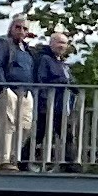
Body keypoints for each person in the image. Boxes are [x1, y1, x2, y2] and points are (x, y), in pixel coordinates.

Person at [0, 13, 42, 168]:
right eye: (17, 27)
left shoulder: (28, 49)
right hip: (9, 89)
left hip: (26, 92)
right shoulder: (3, 43)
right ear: (11, 28)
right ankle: (4, 159)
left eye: (24, 28)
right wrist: (3, 86)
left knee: (25, 126)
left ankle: (15, 156)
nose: (21, 31)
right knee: (8, 124)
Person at [32, 29, 76, 166]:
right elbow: (41, 80)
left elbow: (70, 81)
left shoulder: (62, 64)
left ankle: (70, 162)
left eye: (65, 43)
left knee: (65, 134)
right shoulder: (45, 60)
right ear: (51, 43)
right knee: (41, 133)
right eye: (59, 42)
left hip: (61, 105)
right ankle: (71, 164)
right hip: (49, 104)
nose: (62, 46)